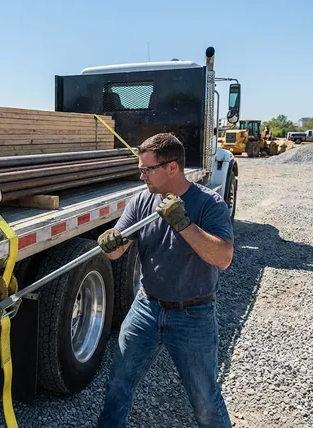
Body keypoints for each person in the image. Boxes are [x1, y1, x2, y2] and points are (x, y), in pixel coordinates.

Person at [95, 132, 235, 428]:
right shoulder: (141, 202)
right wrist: (110, 243)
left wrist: (183, 224)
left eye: (147, 168)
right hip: (147, 308)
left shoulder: (208, 203)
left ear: (172, 167)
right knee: (118, 385)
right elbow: (118, 251)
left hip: (193, 315)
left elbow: (223, 258)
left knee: (205, 401)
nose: (141, 174)